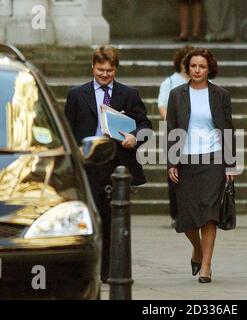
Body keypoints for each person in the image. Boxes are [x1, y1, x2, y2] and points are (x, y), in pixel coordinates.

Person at [64, 45, 152, 283]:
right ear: (92, 66)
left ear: (116, 69)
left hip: (118, 166)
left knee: (114, 219)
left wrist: (135, 136)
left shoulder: (129, 94)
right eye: (100, 70)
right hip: (87, 165)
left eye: (110, 71)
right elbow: (67, 132)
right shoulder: (76, 95)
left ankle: (108, 272)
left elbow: (145, 126)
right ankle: (85, 269)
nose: (104, 75)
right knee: (89, 219)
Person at [166, 48, 235, 283]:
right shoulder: (176, 94)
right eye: (193, 66)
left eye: (202, 66)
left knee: (209, 214)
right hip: (186, 160)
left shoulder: (220, 95)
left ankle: (206, 265)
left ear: (209, 69)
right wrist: (171, 162)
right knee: (186, 218)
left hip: (213, 158)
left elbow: (228, 129)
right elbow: (172, 129)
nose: (197, 70)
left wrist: (230, 164)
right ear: (188, 68)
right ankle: (197, 249)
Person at [157, 45, 193, 228]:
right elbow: (162, 106)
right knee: (174, 173)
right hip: (175, 134)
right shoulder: (170, 82)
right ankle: (177, 214)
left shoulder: (199, 82)